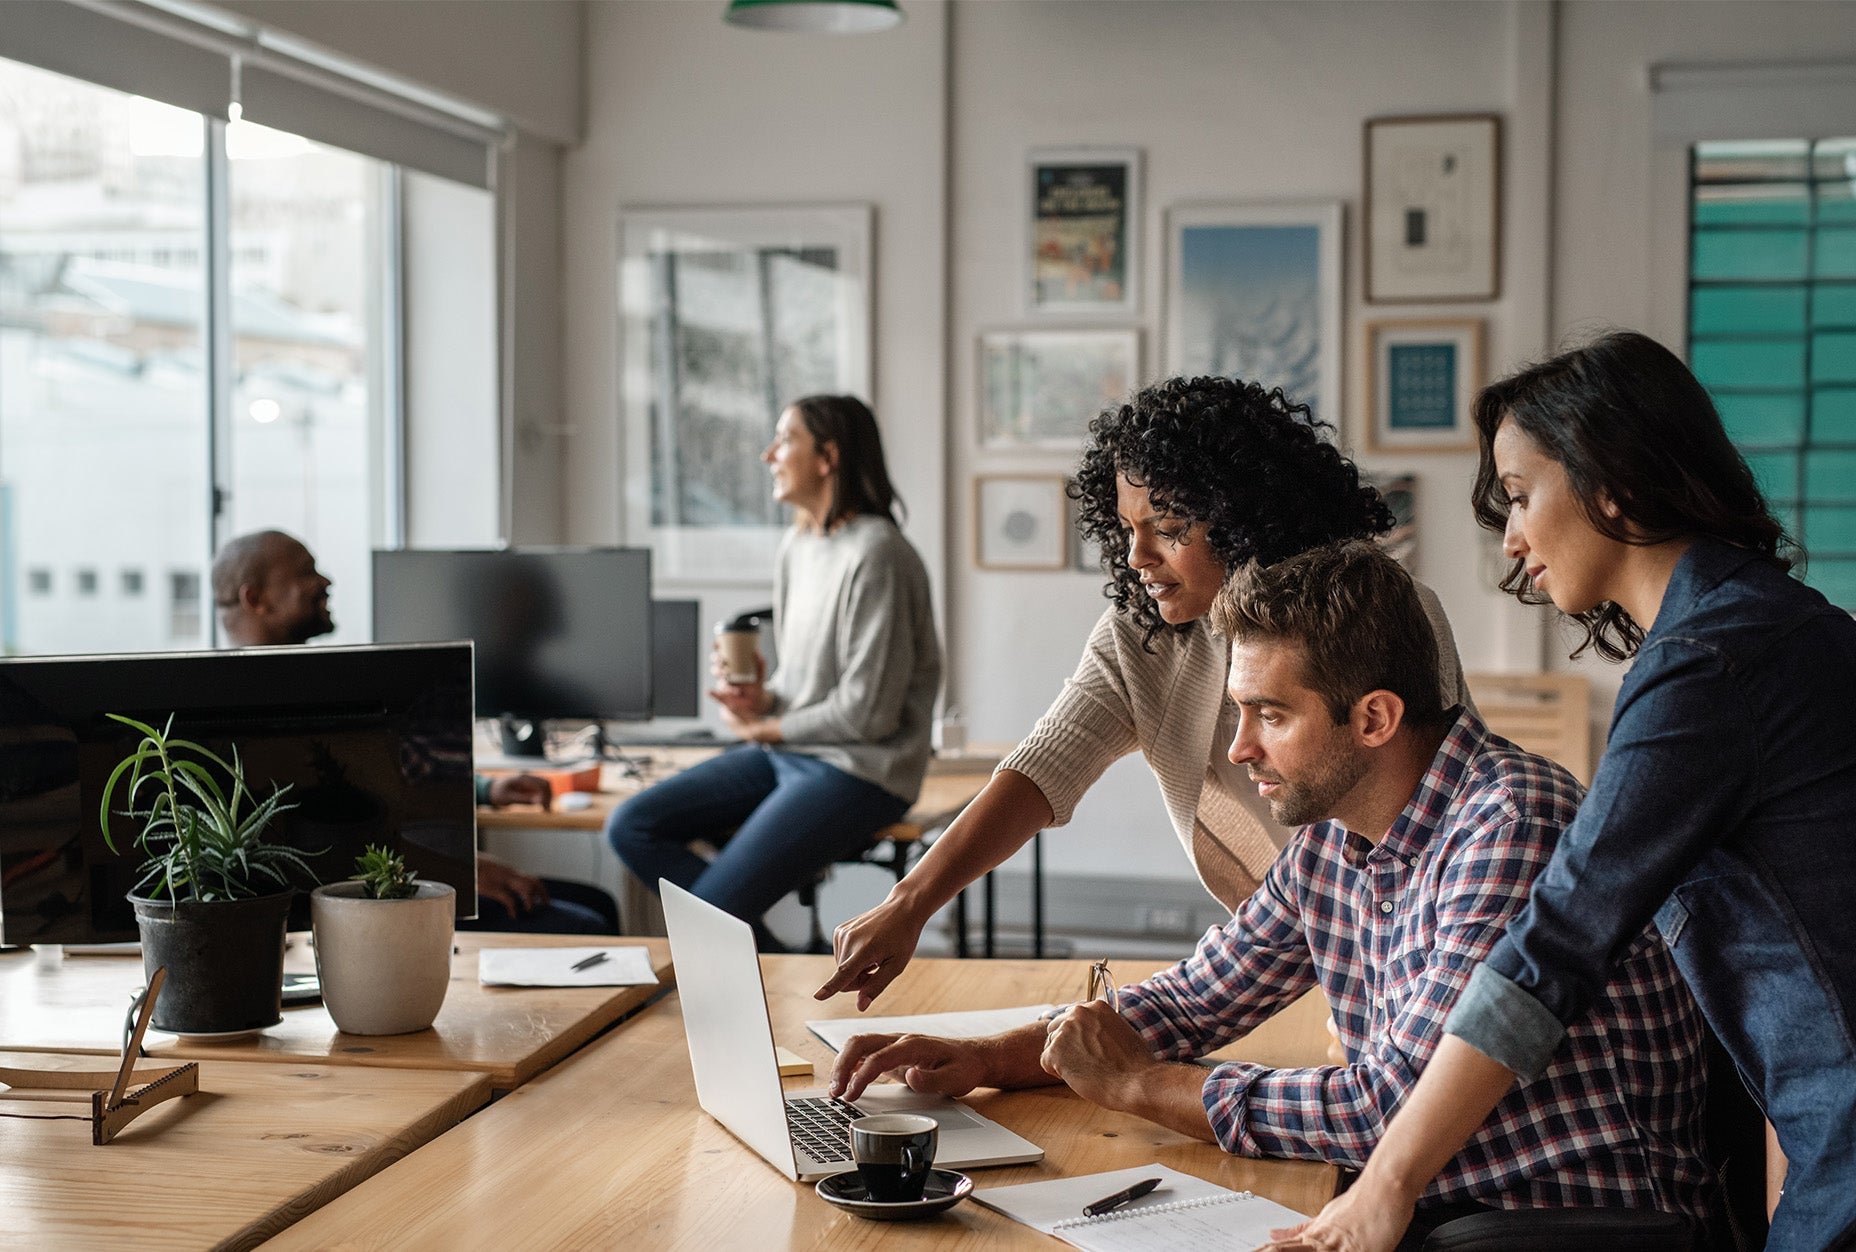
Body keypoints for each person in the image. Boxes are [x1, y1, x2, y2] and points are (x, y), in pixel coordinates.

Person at [830, 542, 1712, 1241]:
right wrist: (990, 1058)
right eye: (1240, 711)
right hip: (1438, 1201)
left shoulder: (1510, 823)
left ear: (1374, 718)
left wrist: (1142, 1088)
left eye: (1271, 715)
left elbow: (1383, 1108)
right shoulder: (1336, 831)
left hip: (1565, 1220)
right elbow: (1194, 999)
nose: (1239, 748)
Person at [1268, 332, 1856, 1252]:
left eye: (1519, 494)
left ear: (1611, 482)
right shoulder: (1772, 626)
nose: (1512, 539)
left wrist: (1386, 1184)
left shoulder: (1708, 666)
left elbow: (1558, 941)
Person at [820, 375, 1472, 1009]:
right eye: (1127, 528)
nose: (1137, 556)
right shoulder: (1143, 634)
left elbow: (1436, 815)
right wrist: (909, 904)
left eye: (1167, 526)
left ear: (1246, 516)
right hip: (1281, 942)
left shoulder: (1377, 616)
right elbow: (1043, 768)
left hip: (1414, 936)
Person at [605, 395, 940, 951]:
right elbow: (805, 688)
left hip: (862, 771)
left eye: (785, 439)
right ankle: (770, 962)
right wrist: (761, 699)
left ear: (828, 457)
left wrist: (765, 728)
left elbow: (869, 713)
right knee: (631, 825)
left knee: (712, 913)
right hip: (791, 753)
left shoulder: (878, 553)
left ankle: (751, 961)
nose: (768, 455)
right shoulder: (798, 545)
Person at [211, 530, 617, 936]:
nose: (325, 581)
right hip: (367, 904)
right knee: (588, 923)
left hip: (404, 874)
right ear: (256, 599)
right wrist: (460, 873)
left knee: (598, 903)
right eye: (305, 572)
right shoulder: (250, 713)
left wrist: (486, 791)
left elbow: (381, 784)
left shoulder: (305, 688)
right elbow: (328, 848)